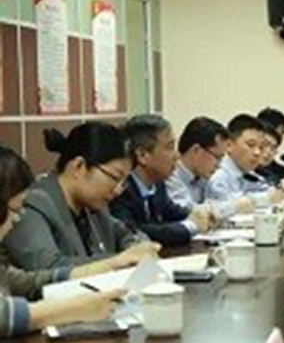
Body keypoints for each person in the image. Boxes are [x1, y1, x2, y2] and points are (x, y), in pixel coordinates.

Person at [0, 147, 127, 339]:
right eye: (15, 209)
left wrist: (107, 266)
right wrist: (73, 309)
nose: (18, 219)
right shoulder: (42, 202)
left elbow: (26, 283)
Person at [3, 123, 160, 270]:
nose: (118, 190)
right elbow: (48, 267)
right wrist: (120, 260)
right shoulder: (33, 204)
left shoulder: (94, 206)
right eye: (115, 178)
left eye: (124, 182)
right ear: (79, 166)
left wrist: (138, 248)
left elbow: (128, 233)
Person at [110, 115, 215, 247]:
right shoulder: (120, 188)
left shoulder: (157, 182)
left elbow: (171, 211)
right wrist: (191, 226)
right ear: (142, 155)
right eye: (169, 147)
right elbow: (135, 231)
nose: (177, 155)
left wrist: (199, 214)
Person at [166, 116, 250, 218]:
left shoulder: (202, 177)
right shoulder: (170, 175)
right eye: (217, 157)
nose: (219, 165)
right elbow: (190, 212)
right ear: (196, 150)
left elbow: (221, 200)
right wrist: (234, 206)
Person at [208, 114, 284, 209]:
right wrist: (263, 199)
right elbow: (223, 209)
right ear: (229, 145)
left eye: (261, 147)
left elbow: (268, 192)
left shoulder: (248, 173)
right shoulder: (217, 175)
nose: (257, 152)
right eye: (251, 145)